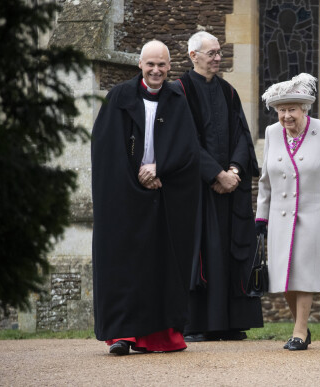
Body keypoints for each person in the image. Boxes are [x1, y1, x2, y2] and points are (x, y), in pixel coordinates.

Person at [91, 40, 200, 355]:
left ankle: (160, 335)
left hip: (166, 194)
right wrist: (136, 178)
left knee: (162, 264)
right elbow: (106, 151)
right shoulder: (119, 98)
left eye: (162, 65)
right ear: (140, 64)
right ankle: (122, 334)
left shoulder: (178, 98)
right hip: (125, 195)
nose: (156, 70)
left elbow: (189, 150)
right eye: (150, 64)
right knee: (126, 263)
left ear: (169, 67)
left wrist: (160, 171)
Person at [175, 31, 263, 341]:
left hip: (230, 191)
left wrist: (235, 170)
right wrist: (215, 175)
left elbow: (242, 135)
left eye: (219, 52)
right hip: (199, 191)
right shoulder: (179, 92)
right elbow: (183, 143)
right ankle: (197, 324)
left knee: (232, 249)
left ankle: (230, 322)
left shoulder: (229, 92)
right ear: (193, 56)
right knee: (203, 251)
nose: (217, 57)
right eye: (211, 53)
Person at [256, 73, 320, 351]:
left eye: (292, 109)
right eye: (281, 110)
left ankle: (298, 332)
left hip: (314, 216)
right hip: (280, 217)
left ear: (304, 109)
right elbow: (265, 180)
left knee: (304, 274)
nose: (286, 116)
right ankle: (303, 327)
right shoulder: (272, 133)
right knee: (284, 277)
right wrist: (261, 216)